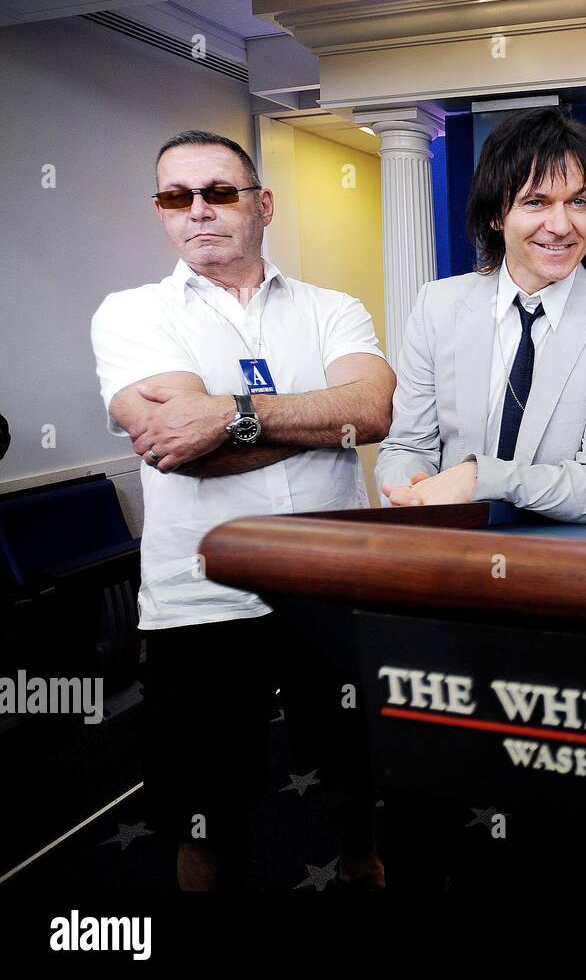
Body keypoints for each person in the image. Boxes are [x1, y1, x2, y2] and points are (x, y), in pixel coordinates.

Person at [90, 130, 396, 890]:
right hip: (201, 597)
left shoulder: (334, 308)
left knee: (354, 774)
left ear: (263, 205)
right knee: (203, 810)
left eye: (219, 193)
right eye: (175, 196)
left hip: (330, 583)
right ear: (160, 211)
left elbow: (373, 410)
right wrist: (317, 423)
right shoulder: (130, 314)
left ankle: (366, 871)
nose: (198, 211)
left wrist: (225, 413)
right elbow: (174, 444)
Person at [376, 107, 586, 520]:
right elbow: (407, 447)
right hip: (443, 555)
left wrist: (481, 477)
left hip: (554, 570)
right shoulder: (437, 307)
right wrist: (412, 504)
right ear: (494, 216)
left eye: (578, 201)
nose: (560, 225)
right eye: (536, 202)